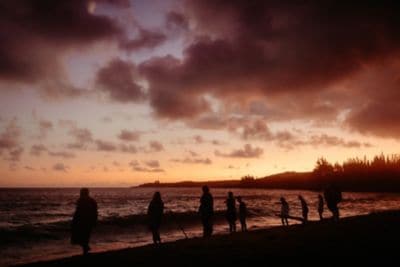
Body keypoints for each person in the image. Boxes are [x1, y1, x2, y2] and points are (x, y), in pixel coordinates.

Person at [71, 188, 98, 255]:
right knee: (86, 235)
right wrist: (95, 220)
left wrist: (74, 220)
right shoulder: (92, 201)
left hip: (82, 220)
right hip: (89, 220)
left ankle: (85, 249)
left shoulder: (81, 200)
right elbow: (95, 212)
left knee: (82, 235)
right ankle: (85, 248)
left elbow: (77, 212)